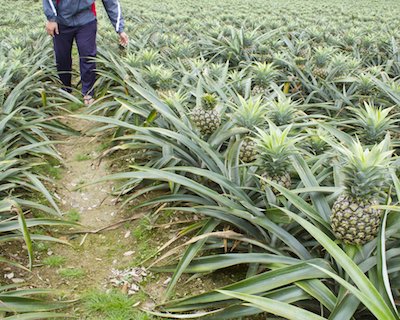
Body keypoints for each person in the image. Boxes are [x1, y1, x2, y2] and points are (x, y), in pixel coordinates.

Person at [42, 0, 129, 105]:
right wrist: (51, 19)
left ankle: (88, 91)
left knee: (88, 55)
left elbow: (111, 3)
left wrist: (120, 29)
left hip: (87, 20)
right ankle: (66, 89)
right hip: (61, 21)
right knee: (62, 57)